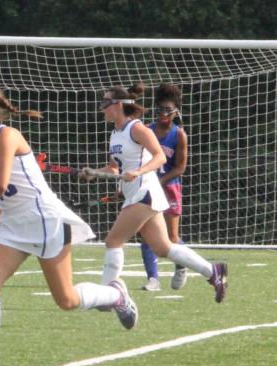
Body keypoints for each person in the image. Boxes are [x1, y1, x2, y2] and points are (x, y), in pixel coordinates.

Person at [0, 83, 135, 366]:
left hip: (44, 221)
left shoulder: (6, 136)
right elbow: (2, 199)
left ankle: (116, 296)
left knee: (67, 300)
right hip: (13, 226)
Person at [94, 84, 226, 303]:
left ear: (117, 105)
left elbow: (160, 157)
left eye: (105, 103)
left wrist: (138, 171)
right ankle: (213, 272)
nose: (102, 108)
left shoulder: (137, 129)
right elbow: (114, 169)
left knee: (113, 241)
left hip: (144, 192)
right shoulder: (115, 134)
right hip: (136, 193)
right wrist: (93, 173)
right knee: (163, 247)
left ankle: (108, 297)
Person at [138, 83, 189, 292]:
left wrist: (160, 181)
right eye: (160, 110)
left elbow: (180, 168)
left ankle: (182, 263)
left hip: (169, 187)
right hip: (148, 187)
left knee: (171, 237)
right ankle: (153, 279)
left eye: (168, 110)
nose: (164, 114)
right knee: (146, 233)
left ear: (175, 111)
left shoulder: (179, 135)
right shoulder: (146, 130)